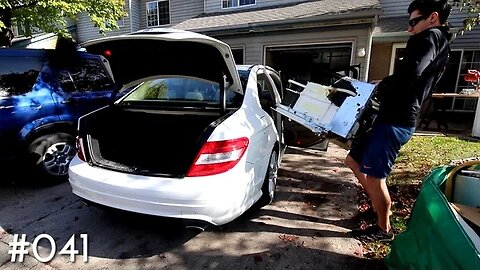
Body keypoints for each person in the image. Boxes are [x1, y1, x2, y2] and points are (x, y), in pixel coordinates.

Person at [345, 0, 452, 242]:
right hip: (392, 116)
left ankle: (384, 230)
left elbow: (411, 74)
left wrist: (383, 85)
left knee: (375, 177)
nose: (410, 28)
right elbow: (410, 76)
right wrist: (383, 83)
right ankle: (378, 204)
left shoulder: (429, 38)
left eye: (414, 21)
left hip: (396, 120)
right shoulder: (440, 41)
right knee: (352, 160)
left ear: (432, 17)